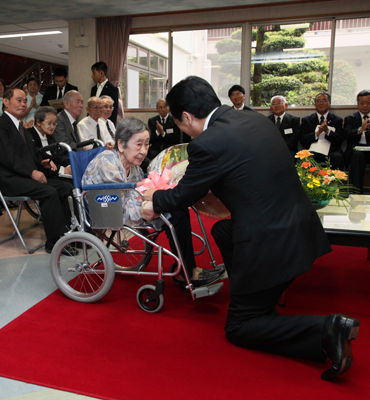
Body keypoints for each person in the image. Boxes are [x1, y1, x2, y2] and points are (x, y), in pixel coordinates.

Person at [142, 76, 359, 380]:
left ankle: (328, 328)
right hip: (300, 230)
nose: (183, 130)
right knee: (222, 232)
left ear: (187, 117)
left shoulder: (208, 143)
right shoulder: (254, 120)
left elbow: (183, 195)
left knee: (239, 328)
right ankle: (252, 294)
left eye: (181, 124)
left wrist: (154, 199)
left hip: (270, 242)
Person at [83, 117, 223, 287]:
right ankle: (187, 271)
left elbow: (136, 194)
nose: (144, 151)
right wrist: (153, 205)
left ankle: (186, 269)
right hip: (108, 210)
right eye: (138, 144)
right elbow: (119, 207)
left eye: (147, 144)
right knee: (175, 212)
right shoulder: (107, 163)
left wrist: (156, 199)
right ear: (121, 144)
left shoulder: (132, 164)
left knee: (177, 208)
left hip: (126, 207)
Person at [0, 88, 75, 254]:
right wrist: (32, 172)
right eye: (19, 100)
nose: (23, 104)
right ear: (6, 102)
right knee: (49, 192)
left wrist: (42, 164)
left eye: (25, 101)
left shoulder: (20, 127)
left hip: (24, 175)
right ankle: (55, 243)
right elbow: (7, 157)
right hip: (8, 179)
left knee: (65, 187)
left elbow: (30, 156)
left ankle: (69, 235)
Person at [343, 89, 370, 195]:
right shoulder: (350, 118)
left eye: (368, 102)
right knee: (357, 156)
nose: (365, 106)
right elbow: (347, 134)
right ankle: (357, 190)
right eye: (362, 103)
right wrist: (360, 129)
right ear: (357, 104)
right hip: (359, 150)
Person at [300, 92, 345, 170]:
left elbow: (340, 140)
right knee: (308, 158)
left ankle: (335, 181)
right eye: (318, 101)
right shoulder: (306, 120)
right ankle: (312, 182)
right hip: (313, 150)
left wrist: (327, 131)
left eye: (324, 100)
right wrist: (317, 133)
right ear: (315, 104)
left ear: (329, 103)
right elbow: (303, 140)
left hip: (332, 151)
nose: (321, 103)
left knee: (338, 157)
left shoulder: (337, 120)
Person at [28, 106, 71, 176]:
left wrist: (69, 166)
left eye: (54, 123)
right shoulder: (29, 135)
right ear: (38, 122)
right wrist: (63, 170)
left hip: (55, 174)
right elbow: (39, 157)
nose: (52, 127)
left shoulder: (50, 137)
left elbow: (59, 156)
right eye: (49, 123)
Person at [268, 95, 301, 160]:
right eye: (274, 104)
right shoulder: (267, 120)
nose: (276, 106)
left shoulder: (294, 120)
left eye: (279, 103)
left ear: (286, 105)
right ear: (271, 107)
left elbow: (295, 138)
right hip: (271, 150)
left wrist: (281, 148)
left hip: (288, 150)